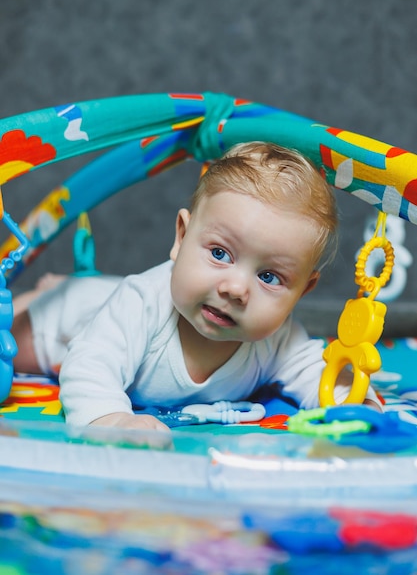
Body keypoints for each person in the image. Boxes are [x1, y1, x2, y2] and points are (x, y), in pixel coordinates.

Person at [11, 142, 381, 432]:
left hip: (108, 296)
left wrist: (352, 401)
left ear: (302, 291)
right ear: (182, 237)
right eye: (220, 253)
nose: (236, 288)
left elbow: (316, 372)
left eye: (268, 277)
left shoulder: (279, 339)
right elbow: (90, 363)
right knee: (12, 341)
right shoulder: (142, 304)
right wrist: (109, 418)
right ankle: (54, 292)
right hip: (63, 320)